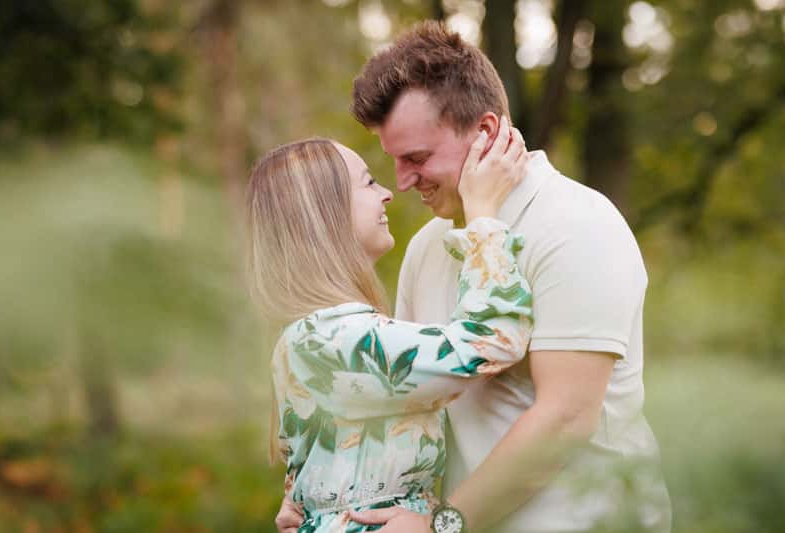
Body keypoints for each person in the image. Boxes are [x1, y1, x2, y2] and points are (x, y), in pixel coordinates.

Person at [276, 21, 671, 533]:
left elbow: (567, 418)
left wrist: (445, 524)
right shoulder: (428, 246)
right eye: (392, 161)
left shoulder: (578, 225)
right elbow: (409, 402)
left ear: (484, 133)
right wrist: (313, 497)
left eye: (417, 157)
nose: (402, 181)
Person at [249, 125, 535, 532]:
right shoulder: (334, 338)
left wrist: (308, 504)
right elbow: (490, 341)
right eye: (368, 182)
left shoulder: (312, 336)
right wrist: (483, 214)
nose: (387, 192)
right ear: (325, 214)